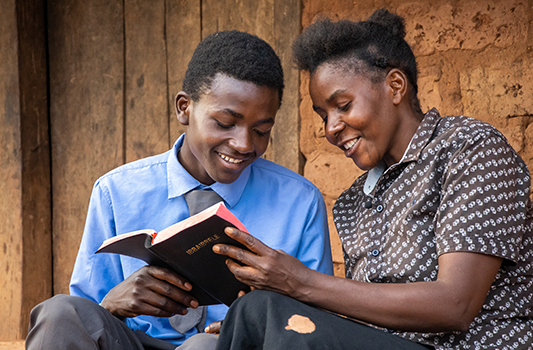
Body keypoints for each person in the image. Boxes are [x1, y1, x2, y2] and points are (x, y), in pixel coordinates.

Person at [211, 9, 533, 350]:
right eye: (323, 115)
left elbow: (456, 304)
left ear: (395, 86)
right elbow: (368, 320)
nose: (330, 128)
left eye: (343, 105)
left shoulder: (468, 149)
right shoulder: (353, 201)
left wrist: (300, 283)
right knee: (250, 318)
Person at [26, 30, 333, 350]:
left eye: (261, 130)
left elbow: (314, 321)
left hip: (227, 347)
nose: (244, 144)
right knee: (59, 312)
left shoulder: (299, 202)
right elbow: (86, 319)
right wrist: (113, 303)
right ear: (184, 108)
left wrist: (253, 324)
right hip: (133, 342)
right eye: (225, 123)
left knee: (203, 347)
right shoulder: (116, 192)